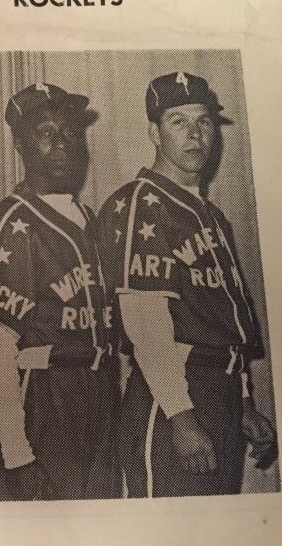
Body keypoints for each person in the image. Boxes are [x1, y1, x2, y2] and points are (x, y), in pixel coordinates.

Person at [97, 72, 277, 497]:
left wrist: (245, 401)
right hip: (175, 393)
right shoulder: (141, 202)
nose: (195, 135)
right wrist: (181, 417)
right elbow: (146, 325)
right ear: (153, 133)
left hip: (221, 389)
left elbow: (222, 322)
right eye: (179, 122)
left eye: (204, 121)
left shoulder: (212, 216)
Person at [0, 83, 119, 500]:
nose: (61, 144)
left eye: (70, 131)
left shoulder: (93, 220)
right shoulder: (7, 222)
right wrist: (17, 452)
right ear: (20, 144)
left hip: (100, 392)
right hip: (42, 394)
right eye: (46, 132)